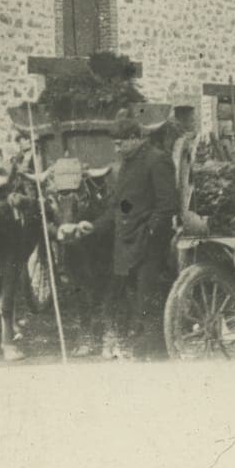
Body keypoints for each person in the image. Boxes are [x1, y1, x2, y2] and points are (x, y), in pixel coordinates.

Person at [70, 108, 178, 359]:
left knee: (146, 300)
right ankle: (140, 351)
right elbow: (120, 206)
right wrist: (94, 227)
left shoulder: (156, 160)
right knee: (130, 300)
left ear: (134, 138)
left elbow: (166, 205)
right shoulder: (125, 166)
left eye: (120, 144)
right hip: (127, 244)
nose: (117, 149)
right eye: (115, 144)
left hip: (149, 245)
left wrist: (150, 231)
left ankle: (153, 355)